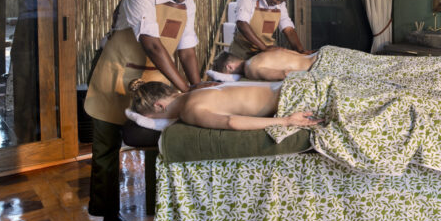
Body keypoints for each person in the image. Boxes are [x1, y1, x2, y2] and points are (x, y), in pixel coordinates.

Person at [84, 0, 203, 221]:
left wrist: (197, 86)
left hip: (158, 79)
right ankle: (110, 216)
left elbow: (186, 50)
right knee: (107, 150)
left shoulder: (188, 4)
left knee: (162, 141)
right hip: (116, 76)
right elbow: (151, 43)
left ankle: (160, 208)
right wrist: (185, 88)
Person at [128, 79, 321, 131]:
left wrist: (286, 121)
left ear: (159, 106)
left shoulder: (189, 110)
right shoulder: (198, 91)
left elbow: (231, 122)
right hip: (294, 83)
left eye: (152, 119)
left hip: (296, 97)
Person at [229, 0, 310, 60]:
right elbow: (242, 23)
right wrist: (264, 48)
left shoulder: (280, 4)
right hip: (243, 50)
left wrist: (301, 51)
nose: (278, 3)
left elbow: (288, 29)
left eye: (281, 1)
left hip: (266, 52)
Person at [213, 48, 317, 81]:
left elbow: (285, 74)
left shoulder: (251, 69)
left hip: (319, 66)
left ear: (229, 67)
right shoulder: (260, 54)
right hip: (321, 54)